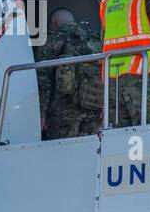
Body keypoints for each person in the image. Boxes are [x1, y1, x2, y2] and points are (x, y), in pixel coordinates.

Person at [37, 8, 102, 139]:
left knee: (61, 151)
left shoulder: (53, 40)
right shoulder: (94, 40)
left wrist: (41, 113)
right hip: (93, 108)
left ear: (53, 23)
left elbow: (43, 80)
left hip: (62, 111)